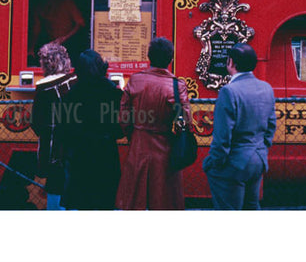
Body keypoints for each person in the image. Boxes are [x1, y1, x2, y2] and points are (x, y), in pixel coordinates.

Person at [115, 37, 191, 210]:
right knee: (164, 201)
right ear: (171, 59)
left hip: (138, 145)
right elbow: (185, 121)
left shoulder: (135, 80)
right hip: (165, 146)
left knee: (135, 200)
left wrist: (132, 135)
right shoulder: (177, 85)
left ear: (149, 57)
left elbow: (123, 117)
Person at [202, 43, 277, 210]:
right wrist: (261, 149)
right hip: (258, 159)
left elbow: (222, 136)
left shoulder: (229, 91)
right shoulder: (266, 88)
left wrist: (214, 162)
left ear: (231, 63)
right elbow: (271, 125)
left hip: (234, 162)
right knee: (251, 206)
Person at [59, 50, 123, 210]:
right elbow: (121, 126)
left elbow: (64, 128)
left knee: (83, 203)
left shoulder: (72, 94)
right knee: (105, 202)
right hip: (106, 152)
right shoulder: (112, 91)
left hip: (80, 154)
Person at [31, 43, 77, 210]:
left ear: (45, 64)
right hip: (76, 143)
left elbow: (36, 124)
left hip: (53, 147)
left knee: (54, 185)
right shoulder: (75, 81)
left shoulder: (43, 89)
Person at [28, 0, 86, 67]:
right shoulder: (40, 6)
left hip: (70, 44)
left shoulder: (67, 2)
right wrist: (31, 48)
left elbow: (81, 24)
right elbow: (36, 29)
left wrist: (64, 38)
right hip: (50, 45)